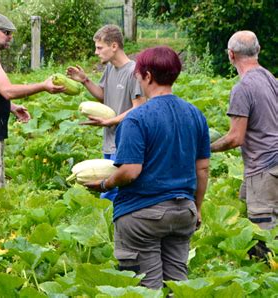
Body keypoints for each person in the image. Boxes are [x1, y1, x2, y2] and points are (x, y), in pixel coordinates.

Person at [85, 46, 210, 289]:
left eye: (138, 74)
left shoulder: (137, 118)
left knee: (146, 289)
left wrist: (104, 184)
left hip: (142, 215)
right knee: (177, 286)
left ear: (148, 76)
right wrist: (197, 207)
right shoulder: (195, 114)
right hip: (183, 211)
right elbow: (202, 169)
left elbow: (130, 171)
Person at [0, 13, 64, 206]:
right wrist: (43, 86)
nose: (10, 37)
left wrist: (11, 107)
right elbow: (8, 90)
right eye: (7, 32)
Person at [66, 24, 144, 201]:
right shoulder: (110, 68)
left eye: (99, 47)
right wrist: (85, 80)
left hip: (126, 142)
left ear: (114, 46)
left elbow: (139, 107)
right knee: (111, 189)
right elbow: (104, 96)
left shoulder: (134, 72)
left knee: (113, 191)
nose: (96, 52)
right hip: (109, 140)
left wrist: (111, 121)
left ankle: (110, 225)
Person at [211, 31, 278, 232]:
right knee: (244, 204)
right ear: (258, 50)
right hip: (273, 163)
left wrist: (206, 148)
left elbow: (235, 138)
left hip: (263, 168)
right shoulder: (270, 78)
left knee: (265, 237)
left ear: (231, 54)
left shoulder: (243, 88)